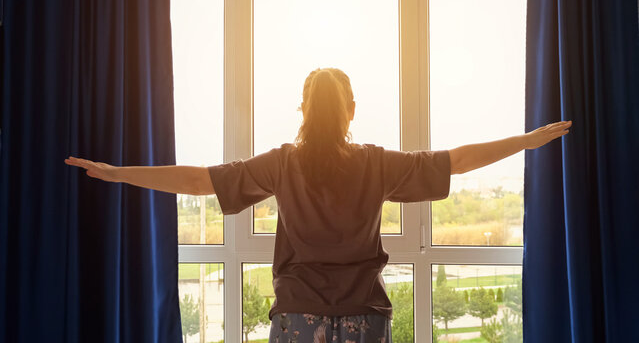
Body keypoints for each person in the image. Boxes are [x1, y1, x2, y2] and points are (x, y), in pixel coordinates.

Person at [65, 68, 571, 342]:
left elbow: (199, 180)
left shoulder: (283, 164)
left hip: (297, 319)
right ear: (351, 110)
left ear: (302, 110)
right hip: (363, 319)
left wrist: (118, 173)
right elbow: (454, 161)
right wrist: (524, 141)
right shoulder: (375, 163)